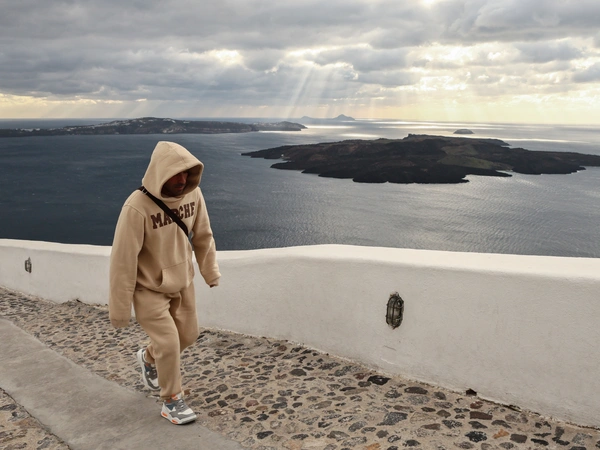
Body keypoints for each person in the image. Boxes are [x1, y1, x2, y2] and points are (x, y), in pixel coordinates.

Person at [109, 141, 220, 425]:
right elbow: (123, 260)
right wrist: (120, 310)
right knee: (169, 344)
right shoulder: (136, 207)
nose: (182, 179)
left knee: (188, 336)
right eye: (175, 173)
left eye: (186, 172)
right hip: (148, 289)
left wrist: (209, 272)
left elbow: (203, 235)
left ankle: (148, 357)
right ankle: (172, 400)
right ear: (160, 172)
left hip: (183, 282)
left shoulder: (194, 195)